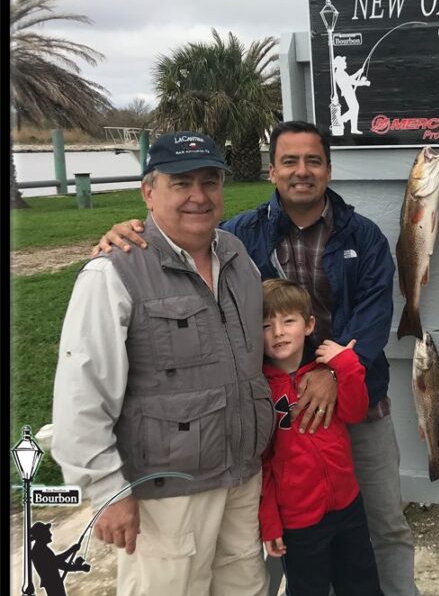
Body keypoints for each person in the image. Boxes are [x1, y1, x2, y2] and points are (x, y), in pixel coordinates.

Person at [94, 120, 417, 596]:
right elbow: (183, 238)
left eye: (313, 160)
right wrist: (128, 231)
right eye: (289, 161)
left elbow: (372, 321)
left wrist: (330, 372)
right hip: (277, 417)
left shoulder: (364, 237)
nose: (301, 171)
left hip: (358, 405)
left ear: (329, 168)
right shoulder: (239, 236)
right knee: (275, 535)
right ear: (272, 170)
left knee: (384, 525)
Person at [55, 131, 273, 596]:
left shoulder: (238, 256)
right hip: (166, 496)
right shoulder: (114, 271)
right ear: (148, 192)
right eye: (181, 183)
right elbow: (81, 394)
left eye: (210, 181)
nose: (199, 196)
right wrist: (108, 491)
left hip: (240, 478)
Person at [259, 278, 382, 596]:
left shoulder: (325, 374)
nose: (279, 332)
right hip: (298, 520)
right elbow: (263, 463)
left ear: (309, 324)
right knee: (307, 589)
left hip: (347, 505)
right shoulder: (259, 390)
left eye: (288, 321)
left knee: (362, 585)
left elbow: (355, 412)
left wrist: (346, 365)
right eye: (266, 325)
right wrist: (270, 522)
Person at [28, 522, 91, 596]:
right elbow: (57, 563)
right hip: (53, 584)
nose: (50, 534)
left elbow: (56, 562)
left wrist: (78, 566)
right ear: (42, 535)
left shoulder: (40, 549)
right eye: (47, 532)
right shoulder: (40, 550)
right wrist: (72, 551)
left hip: (54, 583)